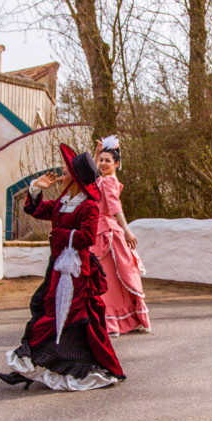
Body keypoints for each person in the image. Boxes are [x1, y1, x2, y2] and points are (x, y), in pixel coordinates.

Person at [0, 144, 125, 391]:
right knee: (47, 312)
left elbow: (88, 236)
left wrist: (61, 235)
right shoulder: (66, 201)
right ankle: (31, 368)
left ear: (77, 177)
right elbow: (39, 209)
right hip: (58, 268)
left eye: (67, 172)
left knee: (59, 319)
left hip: (75, 272)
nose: (63, 175)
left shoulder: (88, 204)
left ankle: (33, 368)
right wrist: (36, 189)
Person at [92, 135, 150, 336]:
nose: (103, 164)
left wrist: (126, 230)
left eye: (108, 160)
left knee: (104, 278)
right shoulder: (108, 179)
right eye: (101, 160)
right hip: (105, 229)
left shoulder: (107, 181)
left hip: (105, 233)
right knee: (113, 277)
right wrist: (97, 152)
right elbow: (90, 179)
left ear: (117, 163)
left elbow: (115, 207)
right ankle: (126, 318)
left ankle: (111, 321)